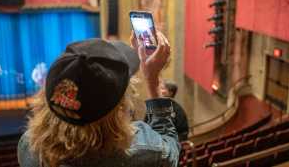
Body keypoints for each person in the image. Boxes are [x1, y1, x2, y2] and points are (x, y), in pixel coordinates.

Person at [17, 32, 180, 167]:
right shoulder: (144, 149)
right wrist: (153, 81)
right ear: (119, 107)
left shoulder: (29, 146)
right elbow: (170, 149)